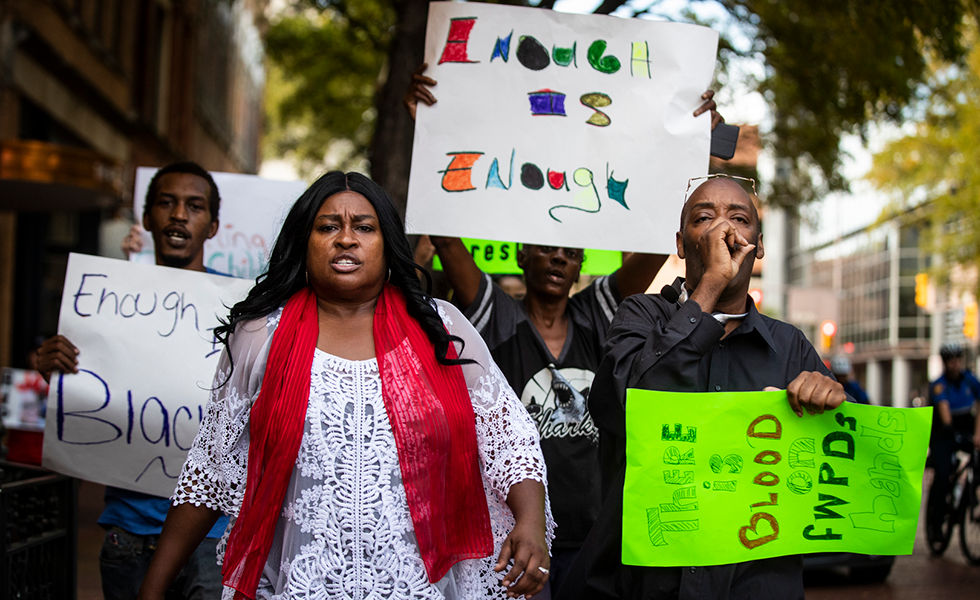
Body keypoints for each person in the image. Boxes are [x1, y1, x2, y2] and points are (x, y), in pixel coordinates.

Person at [136, 172, 554, 600]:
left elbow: (509, 439)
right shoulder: (261, 335)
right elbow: (211, 468)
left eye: (365, 227)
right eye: (329, 226)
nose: (346, 239)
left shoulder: (439, 327)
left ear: (387, 243)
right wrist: (152, 588)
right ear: (305, 241)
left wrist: (530, 522)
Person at [406, 64, 724, 594]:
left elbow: (652, 240)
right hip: (516, 533)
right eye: (546, 248)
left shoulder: (602, 315)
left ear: (582, 266)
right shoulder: (495, 318)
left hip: (597, 531)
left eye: (570, 252)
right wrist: (429, 132)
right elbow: (447, 239)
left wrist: (693, 152)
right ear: (522, 255)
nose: (558, 256)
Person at [557, 175, 846, 600]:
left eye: (739, 219)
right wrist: (710, 284)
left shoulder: (789, 347)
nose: (722, 230)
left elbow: (842, 458)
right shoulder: (639, 316)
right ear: (681, 243)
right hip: (643, 585)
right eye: (704, 218)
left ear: (758, 244)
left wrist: (831, 397)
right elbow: (627, 404)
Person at [37, 161, 229, 600]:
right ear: (147, 218)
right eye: (166, 203)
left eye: (194, 206)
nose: (179, 214)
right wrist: (56, 369)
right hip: (129, 530)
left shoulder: (240, 311)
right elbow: (87, 393)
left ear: (213, 226)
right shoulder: (105, 301)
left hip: (210, 533)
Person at [926, 342, 980, 538]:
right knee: (943, 475)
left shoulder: (970, 380)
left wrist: (977, 434)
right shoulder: (939, 385)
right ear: (944, 362)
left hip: (967, 426)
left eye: (957, 359)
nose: (954, 364)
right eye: (950, 360)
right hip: (944, 432)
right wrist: (949, 426)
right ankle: (937, 524)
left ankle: (971, 493)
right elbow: (944, 409)